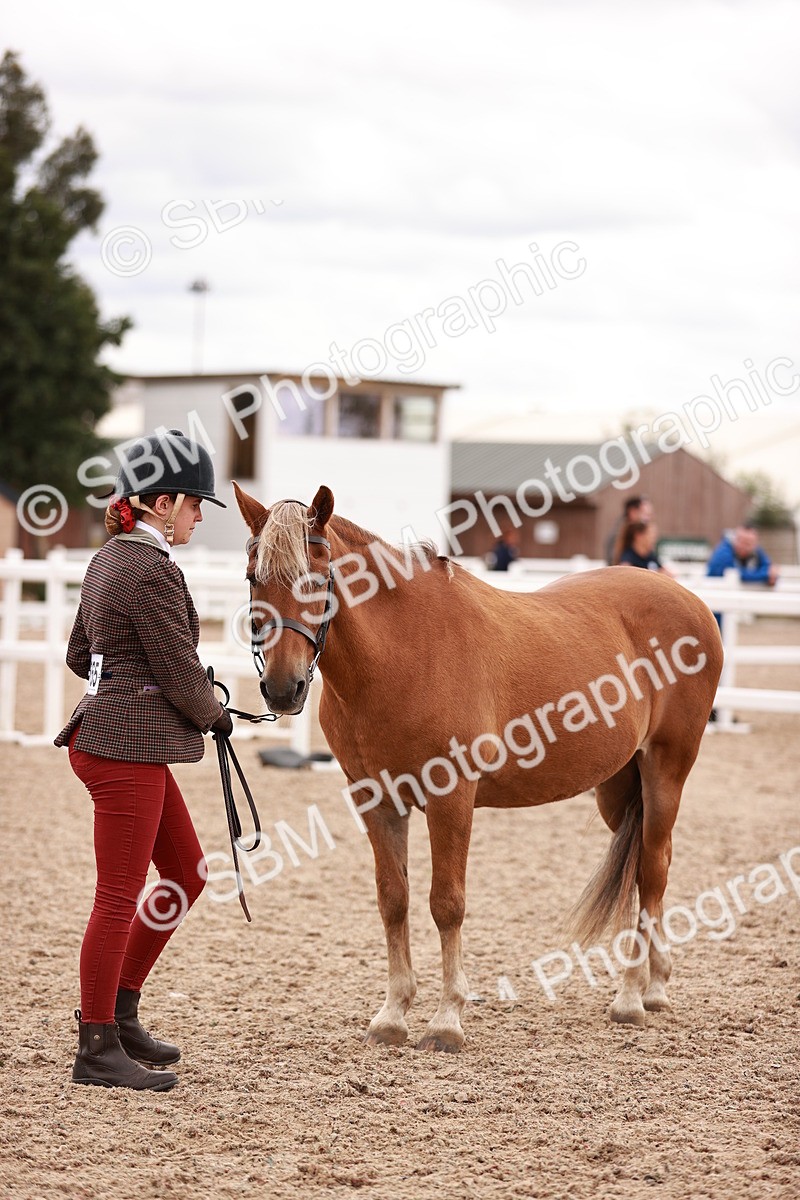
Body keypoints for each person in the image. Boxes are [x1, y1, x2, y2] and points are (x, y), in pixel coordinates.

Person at [55, 429, 233, 1093]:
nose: (196, 518)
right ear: (161, 502)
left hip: (122, 741)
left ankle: (122, 1012)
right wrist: (213, 713)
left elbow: (80, 655)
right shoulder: (154, 569)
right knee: (117, 896)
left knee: (186, 872)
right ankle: (96, 1045)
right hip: (122, 751)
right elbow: (181, 675)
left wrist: (128, 681)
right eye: (193, 506)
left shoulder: (109, 558)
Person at [706, 523, 779, 586]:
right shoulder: (723, 553)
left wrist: (770, 574)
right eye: (743, 542)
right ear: (735, 539)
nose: (746, 547)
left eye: (750, 543)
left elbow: (770, 569)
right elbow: (736, 575)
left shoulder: (757, 551)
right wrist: (765, 575)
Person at [605, 495, 654, 565]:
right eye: (645, 514)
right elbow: (614, 565)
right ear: (633, 512)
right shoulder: (618, 535)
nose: (648, 519)